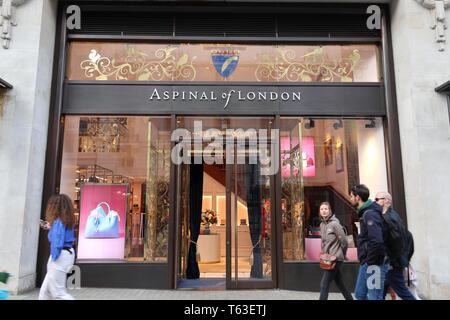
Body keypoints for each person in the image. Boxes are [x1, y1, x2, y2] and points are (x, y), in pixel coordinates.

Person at [375, 192, 417, 300]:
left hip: (392, 264)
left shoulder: (389, 217)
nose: (375, 201)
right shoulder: (389, 215)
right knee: (379, 291)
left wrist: (391, 262)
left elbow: (396, 242)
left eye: (377, 199)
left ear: (386, 200)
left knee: (402, 292)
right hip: (390, 263)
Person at [350, 184, 389, 300]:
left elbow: (377, 241)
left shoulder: (370, 214)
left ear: (357, 198)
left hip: (375, 263)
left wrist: (369, 261)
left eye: (351, 196)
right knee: (360, 294)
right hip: (367, 262)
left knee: (374, 297)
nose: (350, 199)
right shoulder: (365, 213)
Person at [39, 194, 76, 300]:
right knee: (45, 292)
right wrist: (50, 226)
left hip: (60, 256)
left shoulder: (59, 223)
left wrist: (53, 259)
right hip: (66, 254)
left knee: (58, 293)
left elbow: (57, 242)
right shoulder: (66, 221)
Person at [318, 202, 353, 300]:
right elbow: (324, 242)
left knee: (324, 284)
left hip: (336, 258)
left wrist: (343, 254)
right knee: (340, 283)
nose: (324, 211)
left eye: (326, 209)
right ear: (320, 212)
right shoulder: (322, 225)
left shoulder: (335, 224)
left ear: (330, 211)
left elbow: (344, 241)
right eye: (322, 209)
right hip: (328, 259)